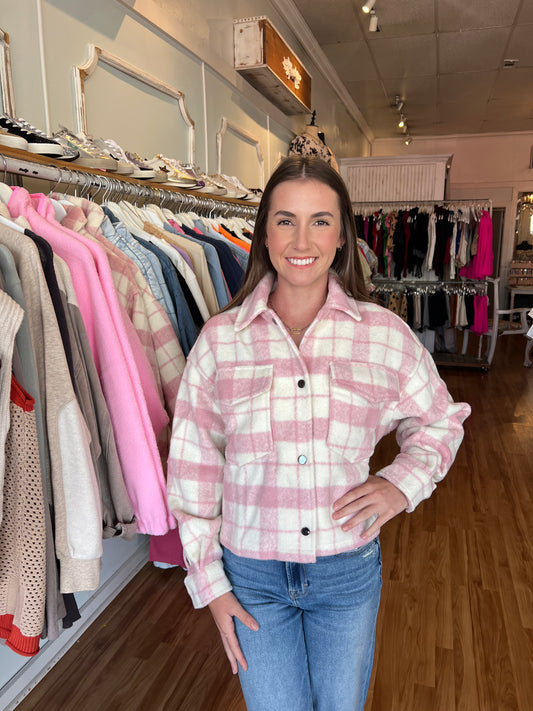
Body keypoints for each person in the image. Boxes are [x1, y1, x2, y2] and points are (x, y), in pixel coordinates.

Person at [167, 156, 471, 711]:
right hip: (251, 575)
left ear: (342, 236)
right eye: (285, 220)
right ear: (263, 233)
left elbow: (440, 419)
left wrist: (402, 483)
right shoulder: (220, 342)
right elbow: (193, 468)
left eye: (320, 221)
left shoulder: (382, 336)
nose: (301, 238)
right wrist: (209, 584)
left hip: (344, 573)